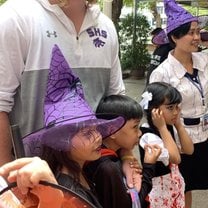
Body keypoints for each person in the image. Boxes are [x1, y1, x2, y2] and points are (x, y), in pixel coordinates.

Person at [0, 0, 125, 165]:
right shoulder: (15, 17)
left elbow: (117, 100)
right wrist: (7, 177)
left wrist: (127, 155)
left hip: (95, 172)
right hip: (31, 176)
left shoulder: (106, 26)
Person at [19, 44, 126, 207]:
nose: (98, 137)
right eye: (86, 134)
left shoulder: (82, 170)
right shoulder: (68, 196)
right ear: (61, 141)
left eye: (95, 129)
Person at [149, 0, 208, 207]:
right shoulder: (162, 73)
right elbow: (156, 112)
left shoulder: (204, 61)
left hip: (206, 133)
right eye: (190, 33)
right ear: (174, 37)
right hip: (182, 139)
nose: (196, 37)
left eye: (198, 31)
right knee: (185, 186)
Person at [84, 94, 162, 208]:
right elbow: (135, 204)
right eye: (135, 127)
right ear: (113, 131)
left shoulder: (103, 155)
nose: (139, 133)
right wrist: (149, 167)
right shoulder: (109, 169)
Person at [139, 82, 193, 208]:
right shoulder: (148, 136)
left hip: (173, 190)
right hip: (160, 195)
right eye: (170, 108)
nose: (175, 112)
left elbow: (189, 149)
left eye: (176, 107)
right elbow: (176, 158)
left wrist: (178, 124)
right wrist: (162, 128)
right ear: (154, 110)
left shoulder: (168, 127)